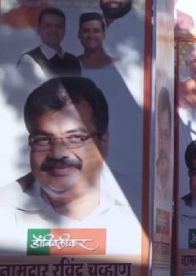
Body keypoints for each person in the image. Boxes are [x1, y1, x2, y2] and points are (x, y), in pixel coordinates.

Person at [0, 77, 135, 255]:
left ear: (103, 142)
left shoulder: (137, 204)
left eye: (75, 138)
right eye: (43, 139)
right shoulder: (4, 208)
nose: (58, 153)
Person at [17, 7, 82, 77]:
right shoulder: (28, 60)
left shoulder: (74, 61)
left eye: (58, 26)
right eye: (47, 26)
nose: (53, 30)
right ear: (39, 30)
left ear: (64, 30)